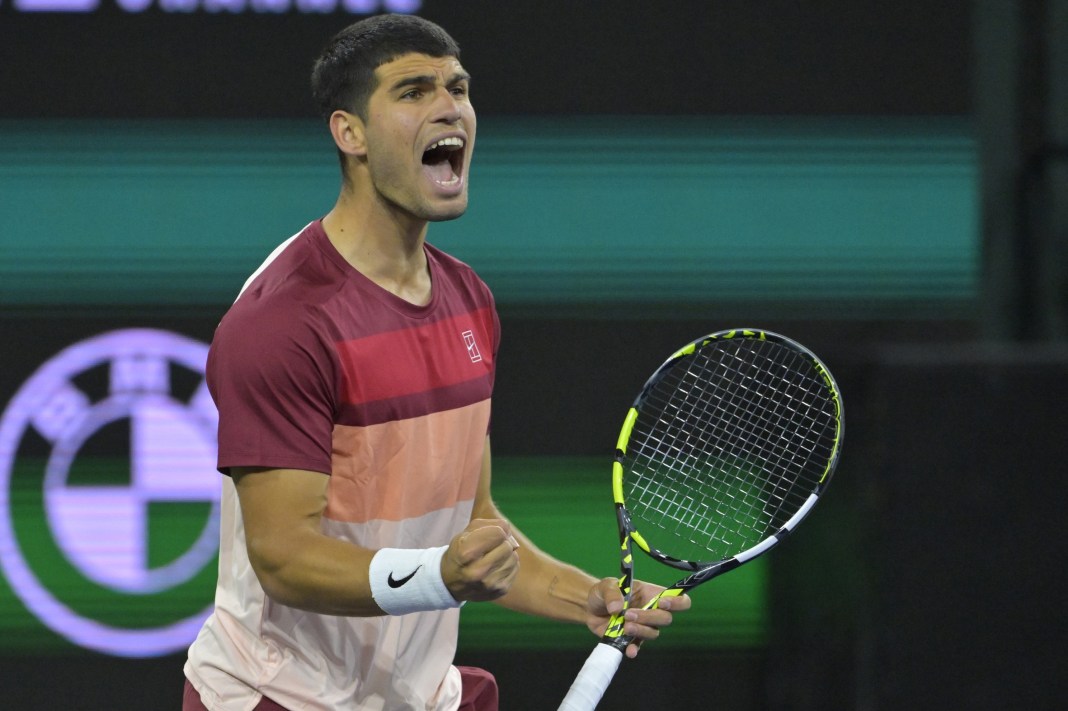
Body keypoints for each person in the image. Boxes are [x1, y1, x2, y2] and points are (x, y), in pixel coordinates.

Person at [183, 13, 689, 711]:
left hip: (418, 695)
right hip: (280, 696)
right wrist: (438, 576)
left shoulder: (468, 301)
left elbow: (468, 526)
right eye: (414, 91)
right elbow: (283, 557)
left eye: (458, 87)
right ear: (349, 132)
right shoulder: (284, 321)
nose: (449, 107)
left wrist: (587, 597)